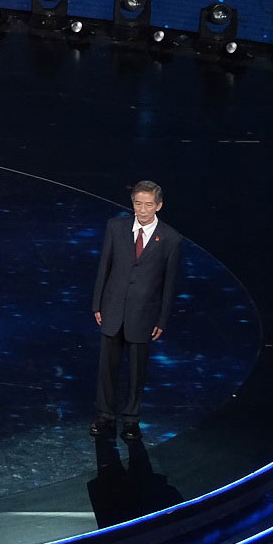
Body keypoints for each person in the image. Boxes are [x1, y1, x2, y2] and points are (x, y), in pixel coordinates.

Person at [92, 179, 184, 435]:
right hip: (112, 308)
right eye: (138, 204)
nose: (142, 210)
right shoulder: (115, 227)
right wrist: (97, 303)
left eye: (148, 205)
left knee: (136, 370)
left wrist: (162, 319)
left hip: (144, 313)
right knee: (106, 368)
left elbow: (169, 283)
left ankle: (131, 419)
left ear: (159, 206)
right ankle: (105, 416)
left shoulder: (171, 239)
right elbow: (104, 267)